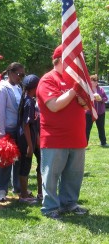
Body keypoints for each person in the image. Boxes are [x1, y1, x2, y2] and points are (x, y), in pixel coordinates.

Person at [36, 44, 88, 220]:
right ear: (60, 60)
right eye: (72, 60)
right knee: (51, 175)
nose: (76, 64)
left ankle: (69, 203)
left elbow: (87, 105)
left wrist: (83, 97)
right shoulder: (48, 79)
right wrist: (74, 90)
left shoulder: (76, 79)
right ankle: (50, 207)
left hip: (77, 136)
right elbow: (54, 105)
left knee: (74, 174)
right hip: (55, 137)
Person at [0, 62, 25, 202]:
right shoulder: (2, 88)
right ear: (11, 73)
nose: (21, 77)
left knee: (17, 159)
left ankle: (17, 186)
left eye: (23, 75)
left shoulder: (18, 87)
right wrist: (1, 134)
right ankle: (1, 190)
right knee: (5, 161)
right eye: (20, 74)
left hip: (17, 129)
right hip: (6, 130)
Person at [17, 74, 40, 204]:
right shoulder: (29, 101)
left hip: (30, 136)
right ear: (34, 88)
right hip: (26, 138)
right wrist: (30, 145)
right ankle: (24, 195)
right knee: (25, 165)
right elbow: (26, 124)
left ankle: (24, 193)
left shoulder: (29, 98)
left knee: (26, 164)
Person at [86, 74, 108, 147]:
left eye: (96, 81)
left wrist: (101, 99)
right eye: (93, 81)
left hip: (100, 112)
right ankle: (85, 144)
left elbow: (106, 98)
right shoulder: (87, 90)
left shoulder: (101, 89)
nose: (95, 82)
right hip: (89, 112)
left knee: (101, 128)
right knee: (87, 128)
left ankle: (103, 142)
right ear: (90, 81)